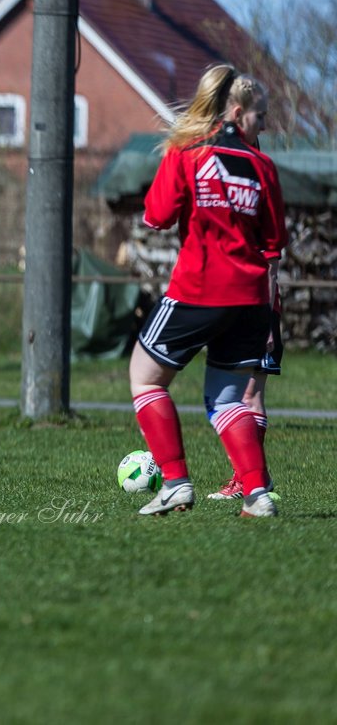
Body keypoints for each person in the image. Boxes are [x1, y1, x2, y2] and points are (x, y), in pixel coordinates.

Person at [129, 64, 288, 518]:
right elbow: (275, 241)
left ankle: (175, 481)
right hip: (252, 296)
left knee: (144, 377)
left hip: (200, 287)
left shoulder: (187, 152)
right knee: (226, 400)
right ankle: (258, 495)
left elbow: (155, 216)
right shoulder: (263, 165)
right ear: (238, 112)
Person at [206, 292, 283, 501]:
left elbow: (270, 269)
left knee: (250, 397)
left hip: (258, 313)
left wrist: (266, 321)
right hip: (241, 309)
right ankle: (256, 478)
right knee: (240, 397)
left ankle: (246, 480)